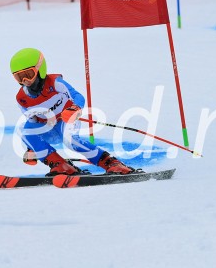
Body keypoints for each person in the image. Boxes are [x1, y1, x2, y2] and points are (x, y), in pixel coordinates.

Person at [10, 47, 136, 176]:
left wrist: (75, 109)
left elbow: (77, 96)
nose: (26, 81)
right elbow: (32, 122)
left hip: (66, 120)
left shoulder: (55, 83)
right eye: (19, 77)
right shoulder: (21, 99)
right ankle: (61, 166)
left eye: (29, 75)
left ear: (40, 69)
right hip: (49, 128)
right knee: (23, 131)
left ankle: (111, 163)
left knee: (70, 141)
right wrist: (32, 146)